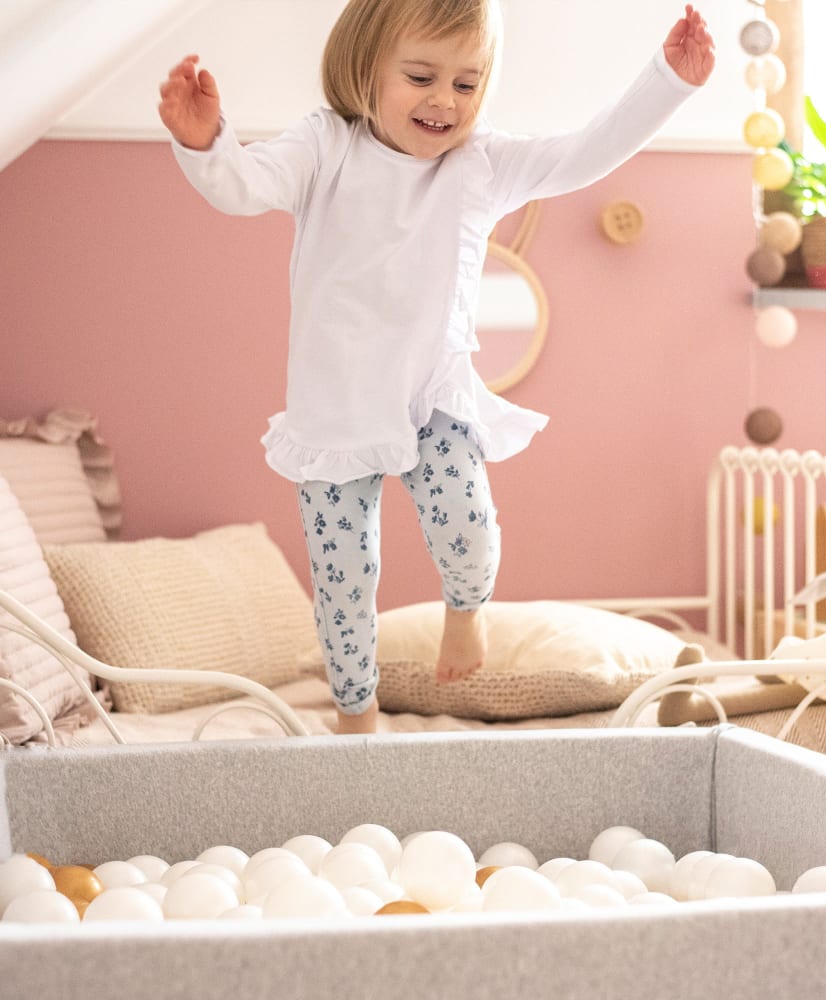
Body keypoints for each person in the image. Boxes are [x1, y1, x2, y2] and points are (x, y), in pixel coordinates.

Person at [158, 0, 715, 734]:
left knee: (469, 523)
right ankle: (355, 713)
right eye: (421, 76)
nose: (444, 101)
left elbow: (584, 152)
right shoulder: (327, 146)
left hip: (433, 393)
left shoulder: (479, 162)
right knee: (343, 576)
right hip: (335, 407)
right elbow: (246, 185)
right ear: (366, 65)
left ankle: (466, 609)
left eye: (466, 83)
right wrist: (207, 145)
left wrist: (666, 82)